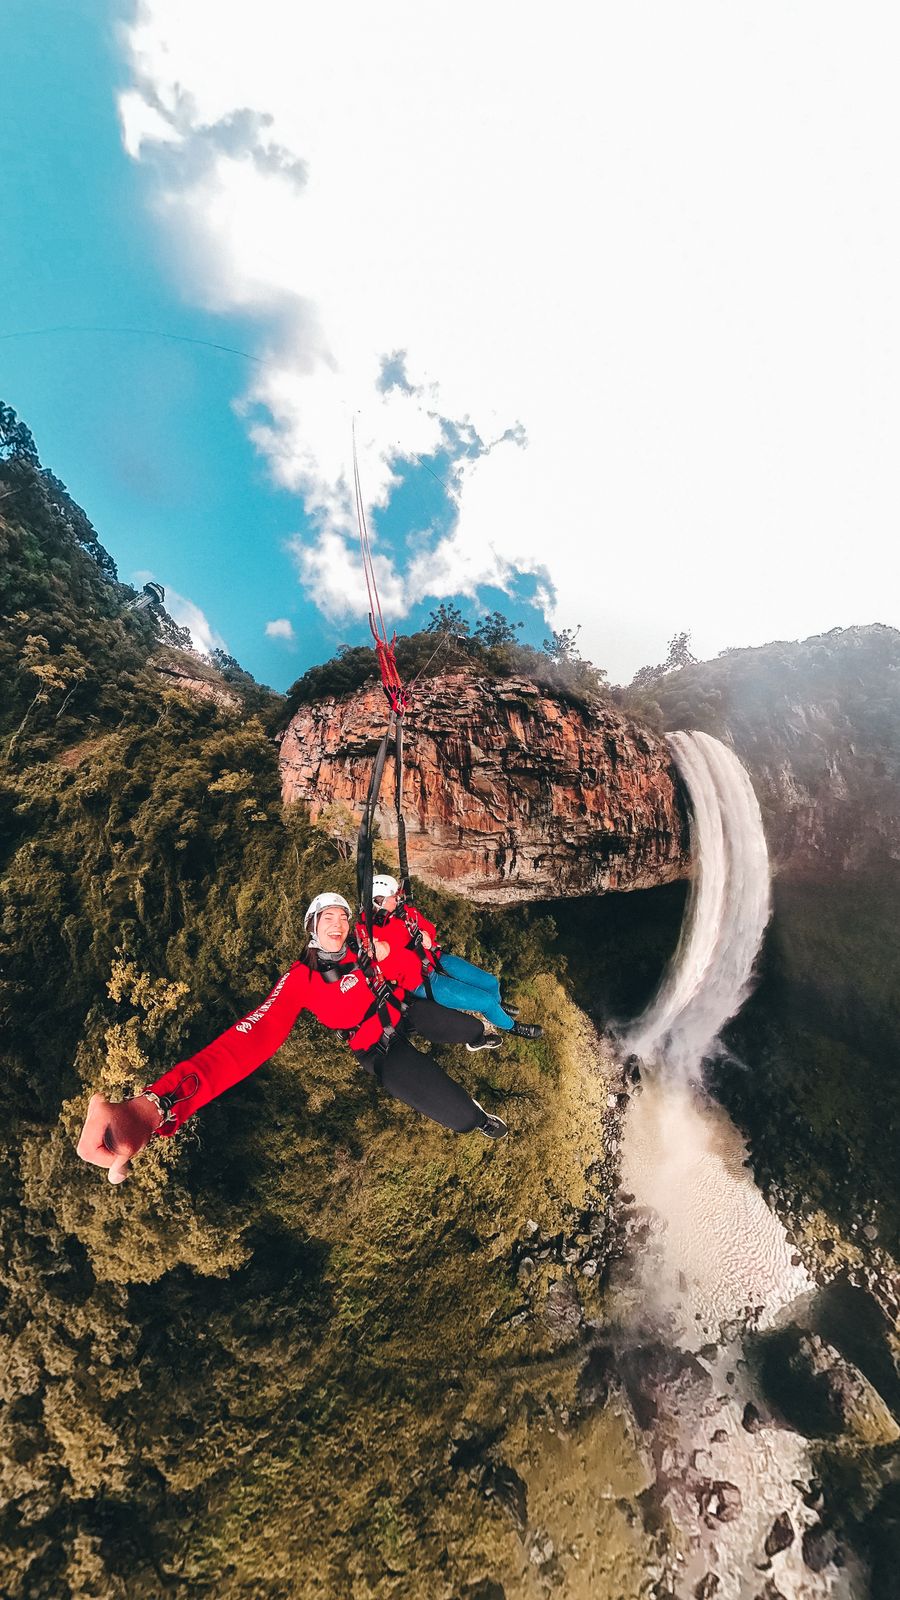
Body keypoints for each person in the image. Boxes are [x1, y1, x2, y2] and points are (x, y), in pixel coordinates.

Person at [76, 893, 509, 1185]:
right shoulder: (300, 980)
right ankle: (477, 1117)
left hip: (403, 1008)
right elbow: (249, 1039)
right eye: (328, 918)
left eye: (343, 916)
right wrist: (156, 1104)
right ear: (313, 929)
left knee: (463, 1026)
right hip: (377, 1046)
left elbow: (420, 959)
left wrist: (391, 953)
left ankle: (477, 1035)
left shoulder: (369, 943)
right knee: (450, 1109)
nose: (338, 924)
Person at [364, 875, 543, 1039]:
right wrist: (387, 948)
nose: (398, 898)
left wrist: (426, 935)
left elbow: (429, 928)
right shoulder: (372, 934)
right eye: (393, 896)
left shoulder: (404, 913)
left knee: (491, 982)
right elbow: (389, 963)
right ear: (379, 902)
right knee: (486, 1002)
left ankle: (498, 1010)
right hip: (421, 981)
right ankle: (513, 1027)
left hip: (436, 959)